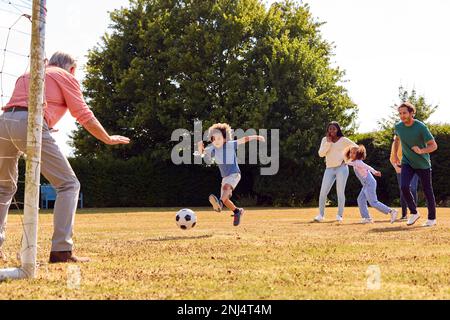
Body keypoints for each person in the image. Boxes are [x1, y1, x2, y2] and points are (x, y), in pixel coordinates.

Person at [0, 52, 130, 263]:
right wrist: (106, 138)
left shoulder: (29, 74)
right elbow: (83, 114)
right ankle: (62, 250)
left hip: (4, 122)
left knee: (3, 188)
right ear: (71, 69)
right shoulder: (65, 76)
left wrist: (46, 126)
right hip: (29, 124)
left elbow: (27, 106)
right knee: (69, 185)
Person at [197, 123, 265, 226]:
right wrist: (200, 147)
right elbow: (202, 153)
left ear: (225, 138)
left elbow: (244, 139)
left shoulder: (230, 144)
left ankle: (219, 203)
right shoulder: (213, 149)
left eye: (219, 138)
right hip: (225, 177)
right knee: (225, 200)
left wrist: (256, 137)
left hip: (234, 174)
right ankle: (237, 211)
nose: (217, 141)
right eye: (214, 139)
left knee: (226, 188)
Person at [392, 102, 438, 227]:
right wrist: (396, 154)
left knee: (428, 191)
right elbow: (397, 139)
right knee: (404, 187)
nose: (402, 116)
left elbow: (433, 145)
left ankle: (432, 219)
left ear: (412, 113)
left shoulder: (421, 127)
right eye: (400, 113)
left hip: (422, 163)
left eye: (404, 113)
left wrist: (421, 151)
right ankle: (414, 212)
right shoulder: (398, 126)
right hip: (407, 162)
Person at [315, 122, 358, 223]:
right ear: (328, 130)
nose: (332, 131)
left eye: (334, 129)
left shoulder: (343, 140)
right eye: (330, 129)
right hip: (329, 169)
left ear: (338, 129)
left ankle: (339, 215)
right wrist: (328, 143)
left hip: (341, 168)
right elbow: (321, 154)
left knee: (340, 192)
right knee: (323, 192)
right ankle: (320, 215)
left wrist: (347, 160)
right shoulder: (325, 140)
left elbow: (356, 147)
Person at [345, 145, 398, 224]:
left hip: (369, 183)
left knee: (373, 202)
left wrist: (375, 172)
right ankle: (367, 218)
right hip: (366, 184)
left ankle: (391, 211)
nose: (351, 154)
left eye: (354, 153)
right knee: (360, 200)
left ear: (359, 154)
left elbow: (367, 167)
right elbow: (349, 162)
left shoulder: (358, 162)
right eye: (351, 152)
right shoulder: (354, 162)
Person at [389, 138, 419, 220]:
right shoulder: (395, 143)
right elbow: (392, 158)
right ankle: (404, 214)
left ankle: (414, 213)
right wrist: (396, 168)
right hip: (400, 169)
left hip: (413, 167)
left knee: (413, 188)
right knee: (403, 190)